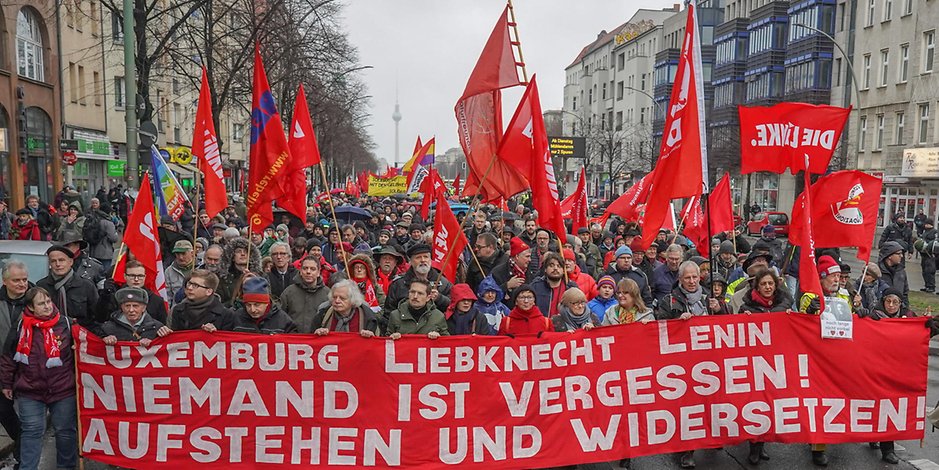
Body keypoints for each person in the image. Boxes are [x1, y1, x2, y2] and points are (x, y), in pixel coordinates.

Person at [0, 287, 77, 470]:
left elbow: (82, 350)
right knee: (31, 432)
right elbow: (8, 357)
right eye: (41, 303)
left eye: (48, 301)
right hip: (30, 390)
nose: (47, 306)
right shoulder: (21, 326)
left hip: (63, 389)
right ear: (31, 307)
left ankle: (66, 467)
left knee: (65, 432)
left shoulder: (66, 324)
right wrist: (6, 384)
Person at [0, 262, 27, 463]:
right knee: (3, 410)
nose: (21, 284)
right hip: (2, 365)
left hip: (26, 367)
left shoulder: (35, 300)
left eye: (24, 279)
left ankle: (23, 456)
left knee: (29, 416)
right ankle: (21, 446)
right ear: (5, 281)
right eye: (16, 280)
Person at [37, 245, 99, 328]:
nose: (58, 264)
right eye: (53, 261)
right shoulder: (41, 286)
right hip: (50, 331)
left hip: (80, 332)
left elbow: (97, 317)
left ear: (71, 262)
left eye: (61, 260)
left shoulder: (86, 286)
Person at [383, 244, 452, 314]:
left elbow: (452, 307)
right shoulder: (398, 284)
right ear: (411, 262)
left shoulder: (443, 282)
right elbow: (389, 312)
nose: (423, 260)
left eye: (426, 257)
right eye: (418, 257)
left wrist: (439, 298)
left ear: (430, 260)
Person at [99, 287, 171, 345]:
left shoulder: (157, 328)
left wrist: (155, 342)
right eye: (127, 306)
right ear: (121, 307)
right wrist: (104, 339)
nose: (131, 310)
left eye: (135, 306)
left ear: (144, 308)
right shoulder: (108, 328)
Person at [169, 269, 235, 332]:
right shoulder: (178, 310)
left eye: (195, 285)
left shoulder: (226, 315)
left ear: (209, 291)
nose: (189, 288)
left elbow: (227, 338)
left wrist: (215, 333)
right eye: (189, 283)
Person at [656, 261, 725, 321]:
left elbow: (725, 322)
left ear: (699, 278)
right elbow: (662, 325)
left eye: (694, 277)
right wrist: (678, 321)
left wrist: (719, 310)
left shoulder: (710, 297)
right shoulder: (669, 301)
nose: (692, 281)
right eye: (687, 278)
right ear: (680, 279)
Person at [311, 280, 380, 337]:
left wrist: (371, 336)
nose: (337, 301)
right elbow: (311, 339)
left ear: (352, 300)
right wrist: (316, 334)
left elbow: (377, 343)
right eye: (334, 297)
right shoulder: (323, 315)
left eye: (342, 298)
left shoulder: (367, 317)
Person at [280, 257, 331, 333]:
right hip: (293, 337)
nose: (308, 272)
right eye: (305, 268)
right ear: (300, 271)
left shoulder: (328, 294)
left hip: (318, 337)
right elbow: (280, 317)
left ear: (318, 272)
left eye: (312, 269)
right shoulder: (289, 292)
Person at [231, 276, 297, 334]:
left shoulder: (283, 320)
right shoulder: (237, 318)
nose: (253, 310)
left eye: (257, 305)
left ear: (267, 303)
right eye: (248, 305)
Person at [217, 237, 261, 307]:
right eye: (238, 251)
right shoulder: (223, 278)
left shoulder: (260, 276)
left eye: (246, 251)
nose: (243, 254)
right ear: (232, 256)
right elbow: (219, 304)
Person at [529, 253, 576, 318]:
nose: (555, 268)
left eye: (559, 266)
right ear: (545, 269)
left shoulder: (571, 287)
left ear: (563, 270)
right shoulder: (535, 286)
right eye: (551, 265)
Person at [490, 237, 532, 305]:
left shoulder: (529, 271)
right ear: (517, 256)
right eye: (527, 256)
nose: (530, 260)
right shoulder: (498, 272)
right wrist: (507, 286)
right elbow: (489, 295)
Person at [164, 240, 196, 305]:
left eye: (184, 254)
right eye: (178, 254)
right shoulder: (169, 271)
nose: (180, 257)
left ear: (192, 253)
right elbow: (167, 295)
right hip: (178, 307)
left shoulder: (200, 268)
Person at [878, 241, 909, 306]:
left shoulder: (901, 271)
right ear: (889, 256)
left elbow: (905, 293)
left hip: (898, 308)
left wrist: (905, 308)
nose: (901, 256)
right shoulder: (877, 271)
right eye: (898, 253)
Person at [918, 220, 937, 293]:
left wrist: (928, 245)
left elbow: (935, 242)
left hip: (930, 254)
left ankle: (931, 286)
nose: (925, 225)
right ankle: (926, 285)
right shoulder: (925, 232)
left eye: (926, 224)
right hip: (924, 254)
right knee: (924, 271)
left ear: (930, 224)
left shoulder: (934, 232)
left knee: (930, 270)